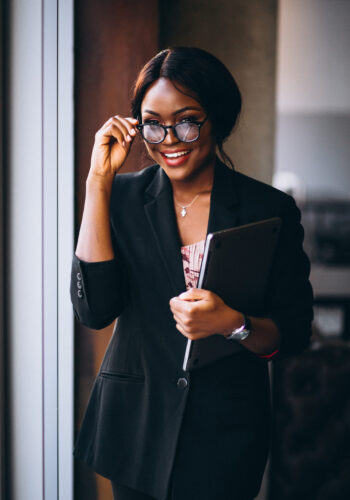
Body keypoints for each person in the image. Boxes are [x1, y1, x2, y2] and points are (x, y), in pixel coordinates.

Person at [70, 47, 313, 500]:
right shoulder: (118, 197)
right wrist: (97, 183)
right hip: (134, 428)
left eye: (186, 120)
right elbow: (94, 309)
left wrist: (232, 324)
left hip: (226, 434)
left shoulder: (269, 210)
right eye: (152, 124)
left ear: (216, 118)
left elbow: (293, 334)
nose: (169, 139)